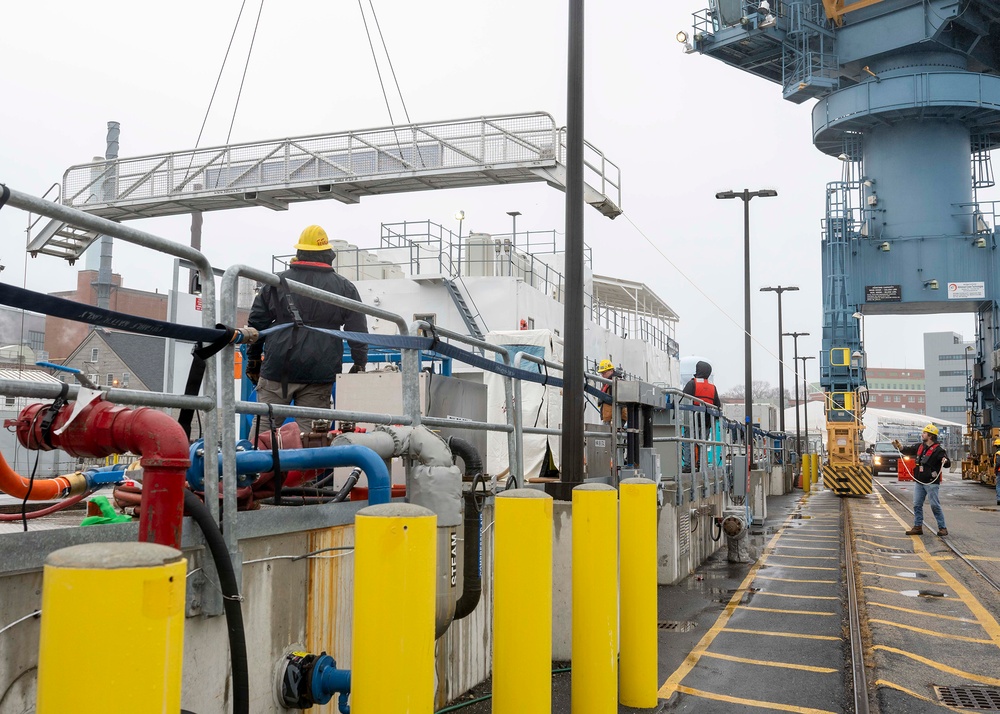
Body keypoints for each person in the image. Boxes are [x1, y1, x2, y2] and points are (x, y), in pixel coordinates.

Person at [246, 225, 368, 431]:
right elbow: (357, 329)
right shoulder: (344, 287)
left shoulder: (276, 282)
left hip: (280, 369)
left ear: (299, 251)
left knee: (263, 430)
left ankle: (255, 462)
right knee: (311, 434)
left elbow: (257, 323)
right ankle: (307, 463)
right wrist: (359, 363)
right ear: (328, 254)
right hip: (319, 369)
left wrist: (254, 359)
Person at [894, 424, 950, 536]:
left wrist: (945, 460)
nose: (922, 435)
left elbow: (947, 463)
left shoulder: (938, 450)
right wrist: (899, 447)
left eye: (924, 433)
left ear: (930, 436)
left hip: (931, 483)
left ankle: (942, 527)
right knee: (917, 504)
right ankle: (917, 526)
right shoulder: (920, 446)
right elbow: (907, 450)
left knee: (934, 505)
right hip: (919, 482)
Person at [682, 361, 722, 472]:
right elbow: (717, 405)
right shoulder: (712, 387)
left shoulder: (692, 384)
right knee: (702, 443)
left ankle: (688, 466)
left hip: (691, 420)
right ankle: (701, 465)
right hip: (706, 422)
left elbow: (682, 399)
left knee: (688, 442)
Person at [598, 359, 627, 425]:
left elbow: (617, 401)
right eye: (602, 373)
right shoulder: (609, 383)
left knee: (609, 434)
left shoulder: (614, 383)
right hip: (611, 417)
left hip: (613, 417)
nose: (603, 375)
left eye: (604, 373)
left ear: (611, 370)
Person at [993, 437, 1000, 506]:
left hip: (999, 472)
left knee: (998, 486)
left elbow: (998, 463)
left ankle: (999, 500)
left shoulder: (998, 453)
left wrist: (995, 470)